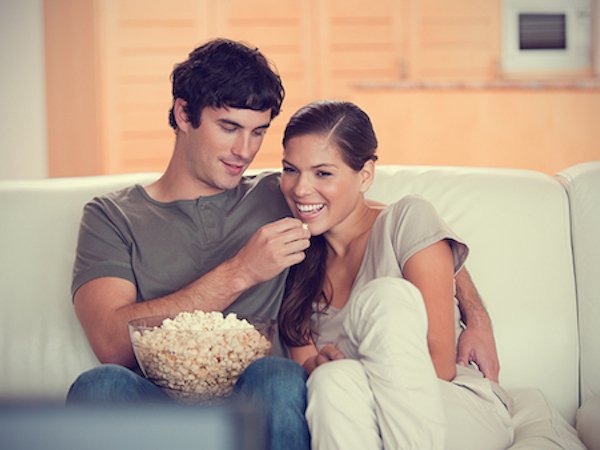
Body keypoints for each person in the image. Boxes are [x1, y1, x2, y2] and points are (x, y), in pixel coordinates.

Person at [66, 38, 311, 450]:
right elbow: (111, 343)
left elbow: (367, 212)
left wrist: (447, 268)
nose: (245, 151)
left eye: (258, 132)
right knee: (100, 386)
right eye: (229, 128)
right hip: (159, 417)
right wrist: (242, 272)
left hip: (258, 407)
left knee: (279, 376)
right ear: (183, 114)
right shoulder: (112, 215)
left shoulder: (280, 193)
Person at [278, 100, 514, 449]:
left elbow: (439, 367)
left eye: (323, 173)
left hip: (449, 404)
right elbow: (309, 373)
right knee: (331, 382)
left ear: (365, 175)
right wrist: (324, 369)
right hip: (355, 414)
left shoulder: (405, 221)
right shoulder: (292, 259)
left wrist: (477, 315)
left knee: (385, 297)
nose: (300, 189)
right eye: (290, 169)